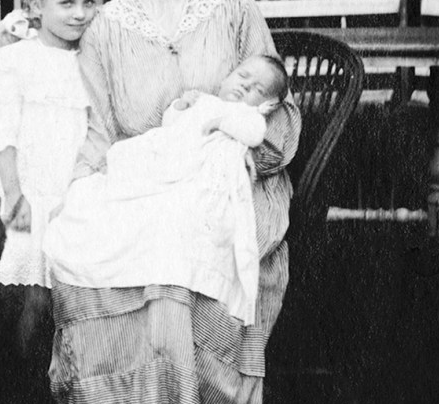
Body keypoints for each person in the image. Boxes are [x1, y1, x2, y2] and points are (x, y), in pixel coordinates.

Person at [31, 0, 301, 404]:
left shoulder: (232, 2)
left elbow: (275, 108)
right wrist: (80, 189)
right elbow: (100, 128)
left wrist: (241, 156)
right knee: (83, 227)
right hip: (145, 178)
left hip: (232, 182)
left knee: (174, 234)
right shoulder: (106, 25)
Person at [45, 54, 290, 328]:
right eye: (243, 76)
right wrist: (181, 105)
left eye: (257, 89)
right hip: (167, 151)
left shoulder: (246, 114)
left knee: (151, 198)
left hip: (189, 166)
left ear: (267, 105)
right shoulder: (205, 100)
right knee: (115, 173)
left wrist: (223, 122)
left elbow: (254, 133)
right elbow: (171, 123)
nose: (245, 87)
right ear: (227, 78)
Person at [0, 0, 107, 355]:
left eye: (89, 2)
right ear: (36, 5)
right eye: (67, 3)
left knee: (74, 292)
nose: (79, 14)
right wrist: (14, 193)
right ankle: (20, 384)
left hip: (75, 187)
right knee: (31, 295)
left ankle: (70, 380)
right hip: (30, 187)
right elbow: (1, 134)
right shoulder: (14, 60)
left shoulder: (93, 60)